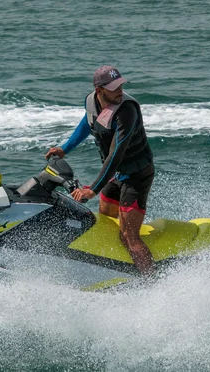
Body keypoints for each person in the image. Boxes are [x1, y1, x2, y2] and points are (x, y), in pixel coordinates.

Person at [46, 65, 156, 275]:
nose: (120, 91)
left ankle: (152, 281)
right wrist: (65, 149)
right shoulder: (91, 101)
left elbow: (116, 153)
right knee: (105, 221)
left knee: (128, 236)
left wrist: (93, 189)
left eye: (120, 85)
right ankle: (117, 268)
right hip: (118, 175)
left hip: (137, 175)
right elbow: (88, 122)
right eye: (114, 87)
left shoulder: (127, 110)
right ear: (99, 90)